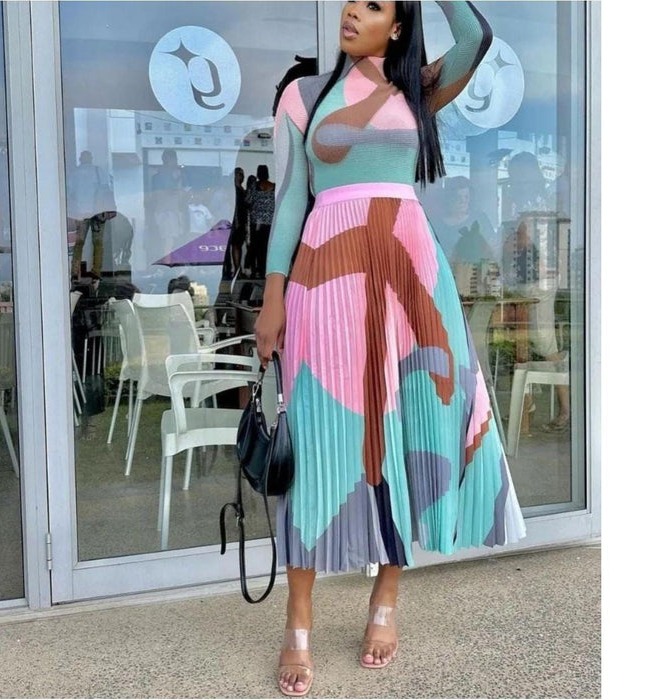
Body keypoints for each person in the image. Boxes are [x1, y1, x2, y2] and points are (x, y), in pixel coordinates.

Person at [254, 2, 527, 696]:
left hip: (411, 275)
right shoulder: (303, 95)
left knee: (408, 430)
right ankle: (298, 619)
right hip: (326, 272)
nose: (353, 10)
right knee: (319, 435)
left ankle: (386, 598)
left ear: (398, 26)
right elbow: (289, 203)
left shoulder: (420, 89)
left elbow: (476, 35)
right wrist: (273, 295)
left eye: (374, 5)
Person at [501, 151, 570, 432]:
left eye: (517, 173)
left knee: (542, 341)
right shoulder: (533, 199)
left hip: (538, 279)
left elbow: (524, 240)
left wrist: (509, 241)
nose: (514, 179)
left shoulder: (535, 201)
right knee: (524, 342)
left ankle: (565, 408)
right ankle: (526, 407)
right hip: (529, 278)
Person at [68, 151, 117, 281]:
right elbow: (107, 188)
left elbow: (70, 193)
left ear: (80, 159)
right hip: (98, 211)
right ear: (91, 158)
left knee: (79, 243)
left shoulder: (74, 174)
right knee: (98, 243)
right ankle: (97, 272)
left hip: (80, 213)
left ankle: (75, 271)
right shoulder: (98, 171)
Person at [245, 164, 275, 278]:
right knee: (267, 246)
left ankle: (254, 270)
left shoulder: (255, 186)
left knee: (255, 246)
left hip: (257, 222)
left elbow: (248, 200)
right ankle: (265, 270)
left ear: (258, 174)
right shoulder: (274, 187)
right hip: (270, 221)